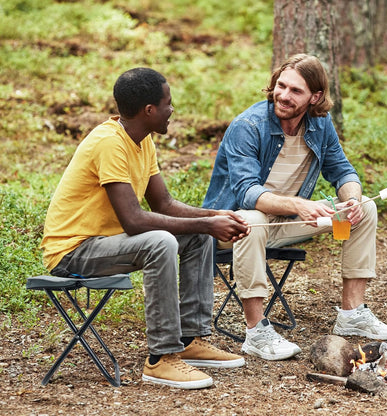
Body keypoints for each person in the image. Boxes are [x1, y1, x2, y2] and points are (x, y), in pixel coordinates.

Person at [40, 67, 250, 390]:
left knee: (196, 235)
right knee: (160, 242)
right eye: (168, 103)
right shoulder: (109, 143)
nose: (172, 110)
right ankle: (161, 359)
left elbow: (164, 203)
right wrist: (208, 221)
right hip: (73, 251)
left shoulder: (142, 139)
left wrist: (213, 216)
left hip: (106, 242)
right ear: (149, 110)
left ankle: (190, 339)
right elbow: (134, 221)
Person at [203, 53, 387, 361]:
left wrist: (351, 197)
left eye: (295, 91)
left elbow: (342, 170)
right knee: (251, 220)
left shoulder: (320, 124)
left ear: (315, 96)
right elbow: (246, 193)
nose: (283, 95)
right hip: (230, 226)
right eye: (281, 86)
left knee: (365, 209)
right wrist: (298, 204)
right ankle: (256, 332)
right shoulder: (248, 126)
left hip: (287, 222)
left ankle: (351, 313)